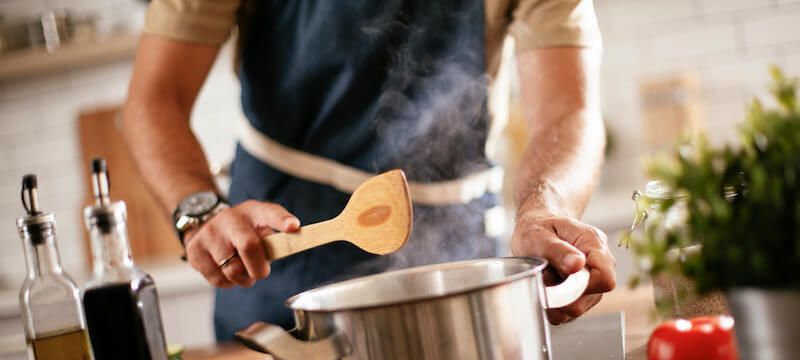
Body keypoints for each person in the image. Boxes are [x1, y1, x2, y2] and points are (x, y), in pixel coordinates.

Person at [123, 0, 616, 341]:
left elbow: (567, 113)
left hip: (458, 255)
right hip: (282, 254)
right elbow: (153, 101)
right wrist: (203, 212)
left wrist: (544, 209)